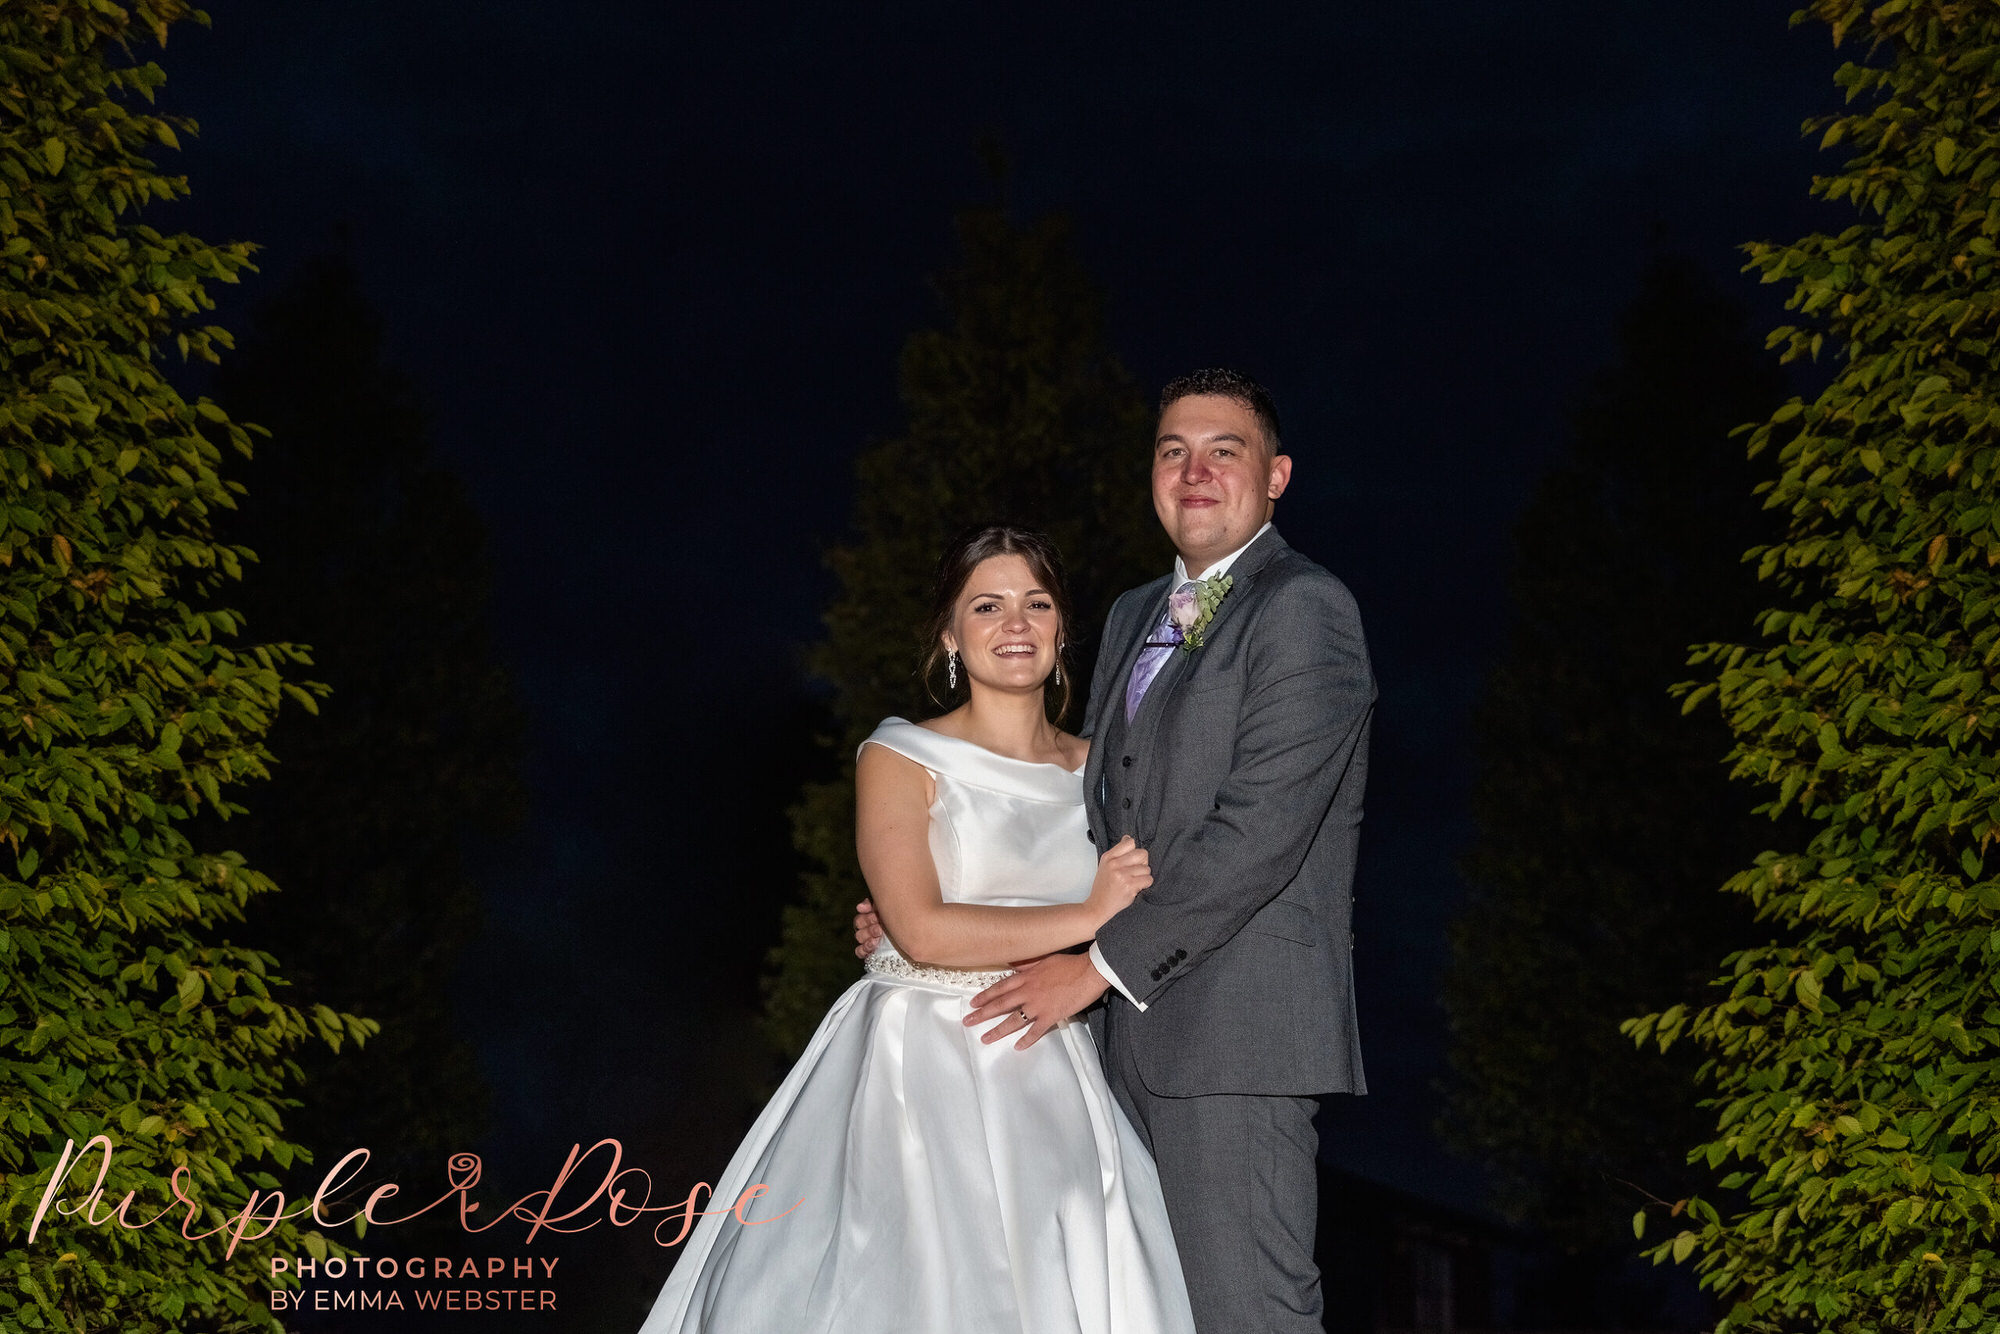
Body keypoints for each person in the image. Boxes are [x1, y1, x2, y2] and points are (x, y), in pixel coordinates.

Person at [856, 369, 1374, 1332]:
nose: (1196, 471)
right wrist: (926, 919)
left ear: (1277, 477)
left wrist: (1095, 966)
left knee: (1241, 1313)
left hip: (1229, 1042)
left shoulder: (1306, 609)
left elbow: (1258, 833)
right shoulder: (1138, 612)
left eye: (1227, 451)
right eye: (1173, 451)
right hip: (1096, 1058)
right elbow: (1097, 827)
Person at [637, 525, 1196, 1334]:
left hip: (1051, 1063)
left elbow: (1167, 901)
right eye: (987, 606)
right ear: (950, 636)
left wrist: (1089, 935)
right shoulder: (898, 755)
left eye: (1036, 604)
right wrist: (1087, 914)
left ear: (1062, 628)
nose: (1015, 624)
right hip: (917, 1060)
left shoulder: (1105, 771)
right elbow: (922, 930)